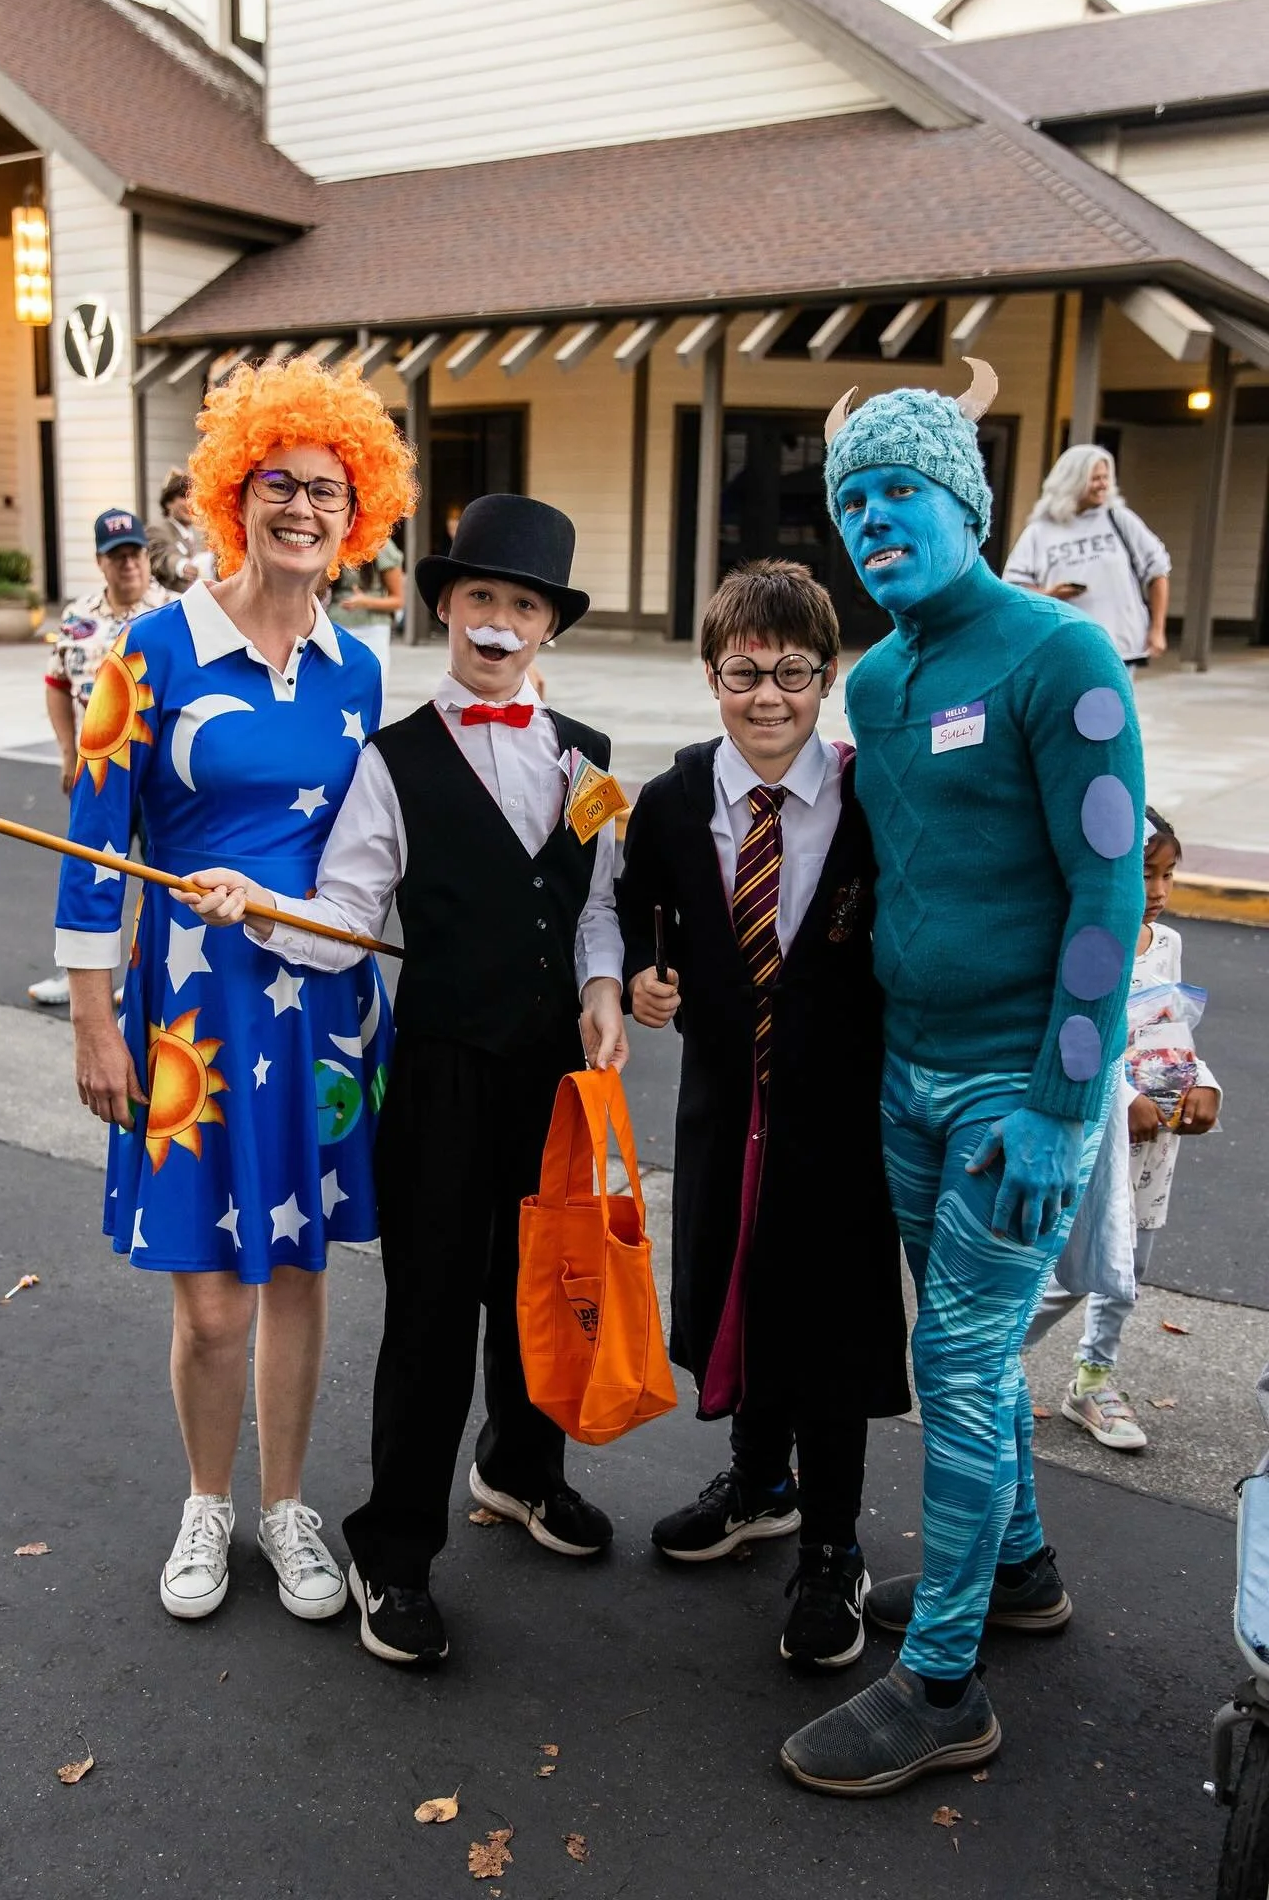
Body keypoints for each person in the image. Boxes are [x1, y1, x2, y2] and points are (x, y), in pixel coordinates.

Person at [175, 494, 627, 1667]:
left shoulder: (590, 757)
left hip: (550, 1078)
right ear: (445, 608)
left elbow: (596, 910)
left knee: (537, 1285)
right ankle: (395, 1553)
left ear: (548, 628)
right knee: (432, 1317)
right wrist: (258, 906)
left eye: (522, 604)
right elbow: (343, 919)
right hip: (436, 1078)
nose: (497, 622)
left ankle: (523, 1470)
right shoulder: (394, 760)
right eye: (479, 598)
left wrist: (605, 989)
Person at [779, 363, 1144, 1796]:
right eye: (853, 502)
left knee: (956, 1365)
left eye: (903, 495)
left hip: (1015, 1091)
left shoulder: (1063, 656)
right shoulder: (876, 679)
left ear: (971, 503)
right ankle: (1024, 1572)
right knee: (968, 1350)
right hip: (907, 1078)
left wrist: (1065, 1104)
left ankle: (942, 1685)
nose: (876, 522)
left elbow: (1107, 888)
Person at [53, 354, 415, 1626]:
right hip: (190, 1020)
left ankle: (286, 1505)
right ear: (233, 494)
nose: (303, 508)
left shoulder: (357, 670)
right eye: (279, 484)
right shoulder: (142, 655)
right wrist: (95, 1022)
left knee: (301, 1271)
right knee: (213, 1301)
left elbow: (366, 859)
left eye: (328, 488)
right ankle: (208, 1503)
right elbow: (94, 854)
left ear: (356, 507)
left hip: (320, 1010)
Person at [617, 560, 908, 1670]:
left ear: (827, 679)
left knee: (826, 1319)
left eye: (793, 672)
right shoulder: (679, 798)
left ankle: (831, 1546)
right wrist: (649, 975)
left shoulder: (872, 795)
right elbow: (640, 908)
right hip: (725, 1096)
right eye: (744, 672)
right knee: (735, 1281)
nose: (768, 695)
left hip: (840, 1109)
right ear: (709, 673)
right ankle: (758, 1479)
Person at [1024, 807, 1221, 1449]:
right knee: (1074, 1267)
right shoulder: (1080, 940)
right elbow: (1072, 1043)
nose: (1159, 893)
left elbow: (1170, 1033)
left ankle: (1093, 1380)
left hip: (1156, 1141)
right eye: (1144, 875)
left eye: (1168, 875)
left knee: (1130, 1266)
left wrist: (1204, 1083)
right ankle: (985, 1360)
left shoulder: (1165, 943)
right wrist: (1123, 1094)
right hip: (1095, 1132)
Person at [28, 510, 170, 1006]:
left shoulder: (177, 612)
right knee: (89, 867)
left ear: (147, 557)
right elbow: (56, 685)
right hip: (98, 766)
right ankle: (80, 978)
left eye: (134, 553)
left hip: (157, 768)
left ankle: (151, 974)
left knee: (163, 872)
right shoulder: (78, 615)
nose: (128, 564)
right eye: (117, 556)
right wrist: (68, 752)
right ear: (100, 562)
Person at [1004, 446, 1170, 671]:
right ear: (1072, 481)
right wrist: (1050, 593)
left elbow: (1158, 572)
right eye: (1094, 479)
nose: (1103, 485)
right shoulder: (1041, 531)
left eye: (1105, 477)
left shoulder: (1120, 520)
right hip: (1066, 647)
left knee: (1113, 706)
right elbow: (1014, 587)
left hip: (1120, 648)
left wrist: (1157, 630)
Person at [322, 532, 403, 686]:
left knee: (371, 686)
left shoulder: (381, 544)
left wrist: (366, 602)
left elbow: (398, 600)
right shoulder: (332, 539)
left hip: (372, 629)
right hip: (334, 627)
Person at [146, 470, 209, 596]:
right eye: (183, 496)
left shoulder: (201, 534)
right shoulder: (158, 530)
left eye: (193, 497)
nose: (190, 502)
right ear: (168, 502)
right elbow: (163, 558)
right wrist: (182, 566)